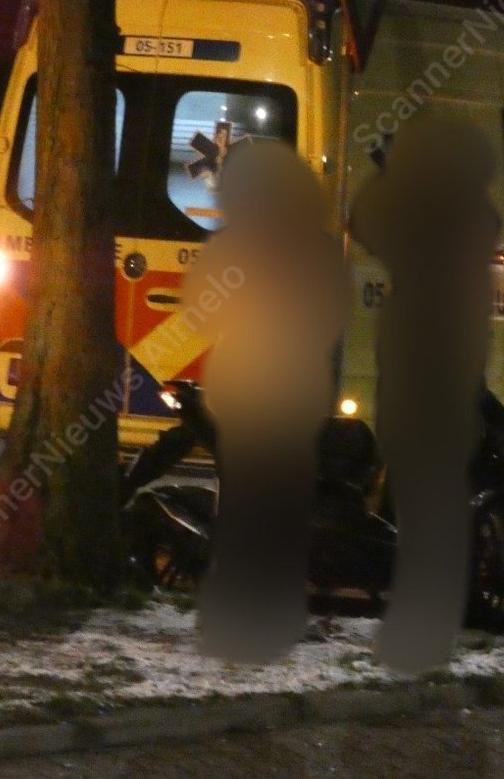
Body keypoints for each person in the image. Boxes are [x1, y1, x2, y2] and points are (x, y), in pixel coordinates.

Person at [183, 141, 349, 664]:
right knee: (285, 512)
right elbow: (332, 322)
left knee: (242, 508)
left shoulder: (234, 247)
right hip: (294, 399)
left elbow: (199, 313)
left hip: (243, 395)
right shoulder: (320, 250)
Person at [350, 116, 500, 674]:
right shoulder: (472, 216)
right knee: (437, 511)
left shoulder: (430, 219)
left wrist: (389, 171)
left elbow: (366, 221)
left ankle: (419, 631)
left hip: (421, 386)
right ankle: (431, 629)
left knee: (423, 514)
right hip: (448, 392)